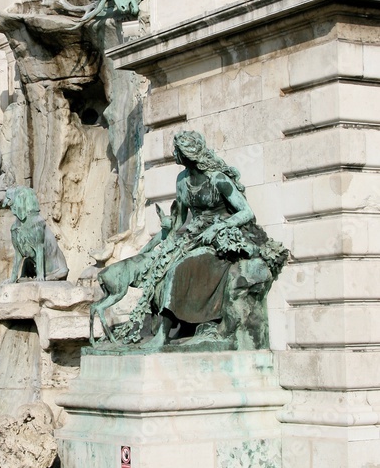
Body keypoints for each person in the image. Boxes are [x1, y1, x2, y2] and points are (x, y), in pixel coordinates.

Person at [114, 130, 288, 347]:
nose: (174, 154)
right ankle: (176, 326)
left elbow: (246, 212)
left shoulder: (218, 179)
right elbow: (180, 221)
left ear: (188, 153)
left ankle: (163, 336)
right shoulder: (182, 180)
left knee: (180, 269)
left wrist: (217, 228)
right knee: (160, 268)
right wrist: (162, 244)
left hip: (222, 241)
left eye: (177, 150)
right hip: (194, 236)